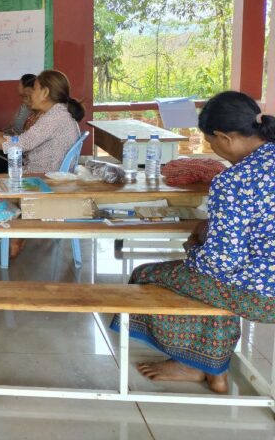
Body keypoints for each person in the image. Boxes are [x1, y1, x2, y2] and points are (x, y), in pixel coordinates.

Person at [111, 91, 275, 394]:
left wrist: (194, 247)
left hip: (264, 295)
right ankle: (212, 370)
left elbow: (220, 264)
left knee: (150, 275)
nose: (214, 150)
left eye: (211, 143)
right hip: (262, 281)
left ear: (225, 137)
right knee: (209, 283)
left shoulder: (234, 180)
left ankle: (193, 363)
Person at [0, 69, 83, 174]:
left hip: (43, 178)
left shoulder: (54, 117)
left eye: (34, 89)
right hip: (43, 173)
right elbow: (22, 140)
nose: (31, 94)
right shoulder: (57, 113)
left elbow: (19, 145)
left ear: (45, 92)